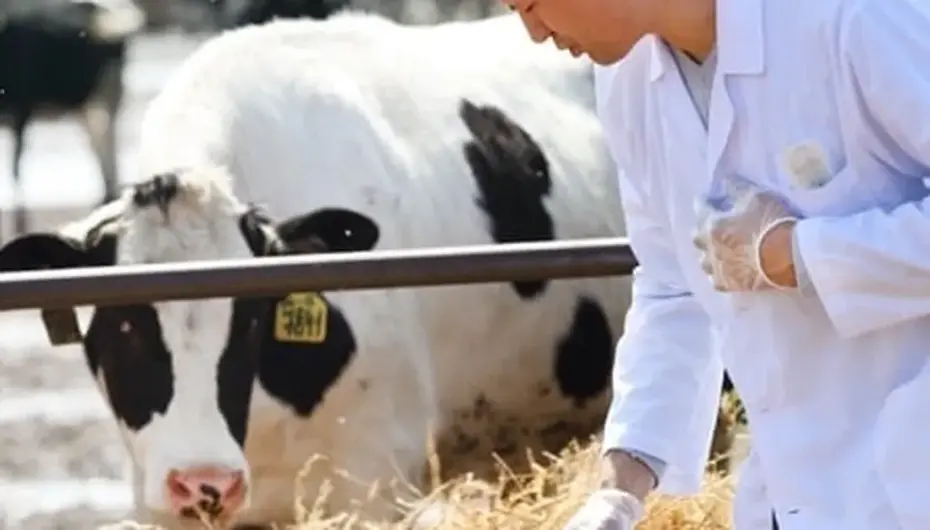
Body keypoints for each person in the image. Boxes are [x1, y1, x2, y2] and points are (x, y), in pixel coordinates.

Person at [503, 0, 930, 529]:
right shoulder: (628, 80)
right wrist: (621, 491)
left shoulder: (855, 16)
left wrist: (799, 254)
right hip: (790, 497)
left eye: (530, 4)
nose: (535, 33)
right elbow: (674, 282)